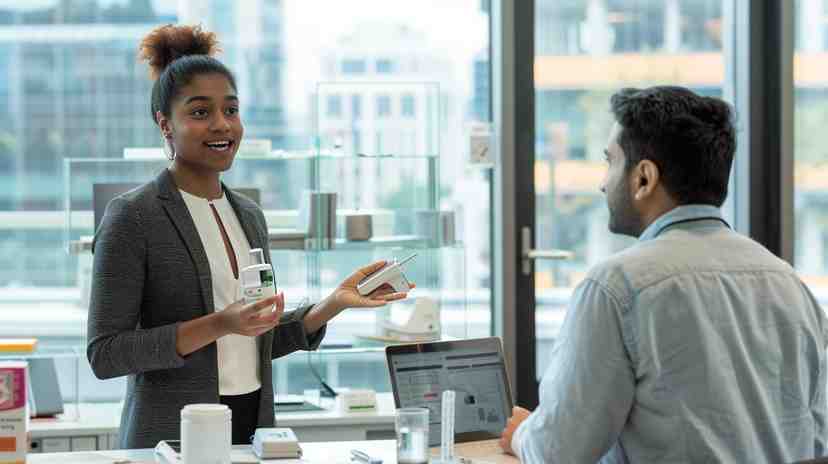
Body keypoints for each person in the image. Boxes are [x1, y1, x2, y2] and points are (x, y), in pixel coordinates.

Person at [87, 24, 411, 449]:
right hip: (172, 435)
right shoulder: (133, 216)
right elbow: (106, 354)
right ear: (165, 124)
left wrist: (332, 303)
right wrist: (220, 323)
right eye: (201, 112)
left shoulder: (249, 215)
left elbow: (257, 338)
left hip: (252, 426)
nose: (223, 125)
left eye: (232, 110)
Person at [500, 86, 827, 463]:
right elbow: (817, 439)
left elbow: (558, 452)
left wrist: (521, 434)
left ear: (644, 178)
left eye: (610, 162)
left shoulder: (616, 287)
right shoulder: (789, 283)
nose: (603, 182)